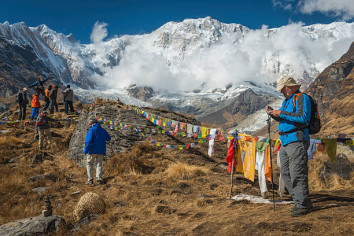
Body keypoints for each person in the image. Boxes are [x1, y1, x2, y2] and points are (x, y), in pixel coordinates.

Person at [265, 76, 313, 217]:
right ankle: (298, 199)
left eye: (282, 89)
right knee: (286, 173)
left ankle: (303, 205)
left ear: (289, 87)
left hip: (296, 140)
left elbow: (303, 118)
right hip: (285, 141)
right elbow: (284, 118)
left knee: (297, 173)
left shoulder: (301, 98)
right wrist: (273, 113)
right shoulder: (287, 101)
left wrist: (282, 113)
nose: (281, 92)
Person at [83, 118, 111, 185]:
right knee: (99, 165)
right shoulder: (103, 130)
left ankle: (90, 180)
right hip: (101, 151)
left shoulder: (92, 130)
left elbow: (88, 141)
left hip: (92, 150)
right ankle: (99, 179)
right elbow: (109, 138)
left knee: (89, 164)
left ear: (93, 124)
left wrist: (85, 150)